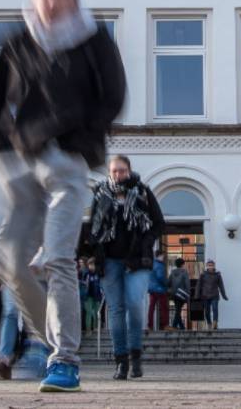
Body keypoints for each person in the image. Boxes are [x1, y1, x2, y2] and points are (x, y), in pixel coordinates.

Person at [0, 0, 126, 392]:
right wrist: (3, 156)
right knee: (8, 263)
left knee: (60, 256)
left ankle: (65, 360)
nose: (49, 0)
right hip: (23, 167)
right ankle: (50, 341)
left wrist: (78, 138)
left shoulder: (93, 39)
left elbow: (114, 96)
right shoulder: (16, 42)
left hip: (67, 164)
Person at [90, 155, 164, 380]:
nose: (118, 175)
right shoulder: (100, 194)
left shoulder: (142, 192)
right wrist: (93, 254)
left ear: (130, 171)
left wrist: (147, 242)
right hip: (110, 261)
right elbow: (93, 227)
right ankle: (121, 361)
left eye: (122, 171)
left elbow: (159, 224)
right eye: (114, 171)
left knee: (134, 303)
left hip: (137, 261)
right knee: (115, 310)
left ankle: (136, 356)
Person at [194, 259, 228, 330]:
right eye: (209, 265)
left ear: (214, 266)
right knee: (207, 311)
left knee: (215, 309)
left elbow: (221, 286)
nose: (210, 267)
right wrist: (196, 295)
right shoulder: (203, 275)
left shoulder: (218, 275)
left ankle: (215, 323)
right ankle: (209, 323)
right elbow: (198, 285)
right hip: (205, 296)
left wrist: (224, 296)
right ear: (207, 266)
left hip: (214, 295)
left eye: (212, 265)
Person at [79, 257, 102, 333]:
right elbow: (83, 283)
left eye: (93, 265)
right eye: (90, 265)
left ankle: (96, 329)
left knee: (96, 313)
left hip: (97, 296)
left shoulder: (99, 274)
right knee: (89, 313)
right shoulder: (86, 274)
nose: (91, 266)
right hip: (88, 296)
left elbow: (101, 285)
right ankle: (88, 330)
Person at [147, 251, 168, 331]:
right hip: (160, 289)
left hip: (152, 289)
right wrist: (166, 284)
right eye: (163, 256)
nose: (163, 258)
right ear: (160, 256)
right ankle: (165, 325)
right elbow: (160, 277)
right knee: (164, 307)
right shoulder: (160, 265)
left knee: (151, 307)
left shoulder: (151, 264)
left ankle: (150, 325)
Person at [168, 258, 190, 331]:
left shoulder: (172, 272)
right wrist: (188, 293)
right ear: (182, 264)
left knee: (178, 309)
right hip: (181, 293)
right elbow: (187, 284)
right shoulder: (184, 272)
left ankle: (182, 327)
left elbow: (168, 283)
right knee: (178, 310)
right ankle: (174, 325)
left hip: (174, 293)